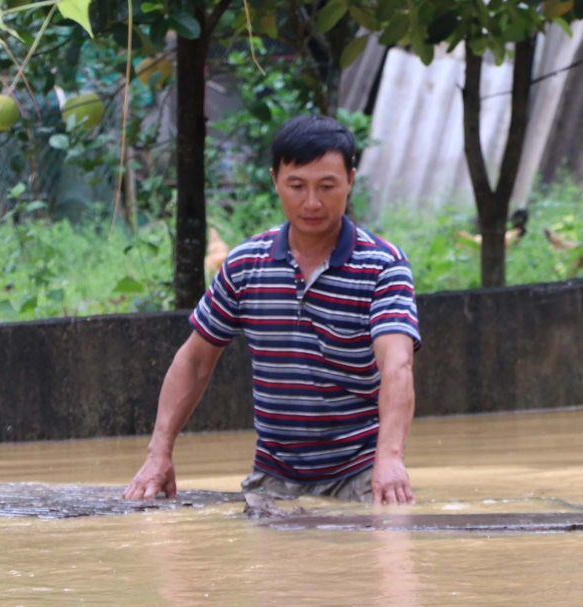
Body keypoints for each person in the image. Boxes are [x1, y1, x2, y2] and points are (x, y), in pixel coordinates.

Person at [123, 115, 421, 505]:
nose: (312, 202)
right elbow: (195, 362)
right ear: (275, 181)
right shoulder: (245, 265)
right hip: (274, 476)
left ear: (350, 180)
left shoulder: (383, 266)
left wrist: (391, 459)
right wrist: (158, 453)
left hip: (362, 473)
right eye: (297, 186)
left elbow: (396, 365)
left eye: (327, 186)